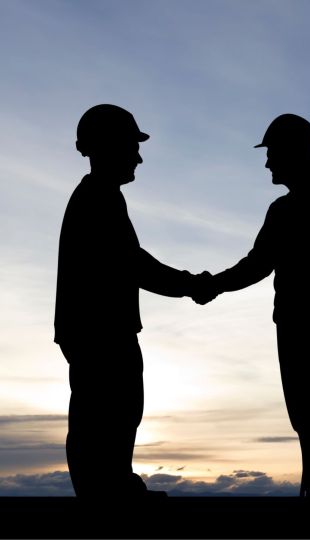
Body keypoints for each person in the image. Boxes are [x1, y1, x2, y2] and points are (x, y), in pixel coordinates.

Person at [196, 113, 310, 497]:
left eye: (273, 153)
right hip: (298, 327)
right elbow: (257, 265)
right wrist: (214, 284)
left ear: (297, 154)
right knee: (309, 418)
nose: (267, 163)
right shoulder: (285, 210)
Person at [55, 104, 210, 498]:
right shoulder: (98, 199)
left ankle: (112, 489)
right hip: (101, 332)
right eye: (131, 145)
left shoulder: (99, 196)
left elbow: (132, 264)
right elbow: (135, 266)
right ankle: (108, 497)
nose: (138, 156)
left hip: (96, 330)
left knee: (112, 414)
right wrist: (191, 285)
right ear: (107, 146)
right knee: (109, 413)